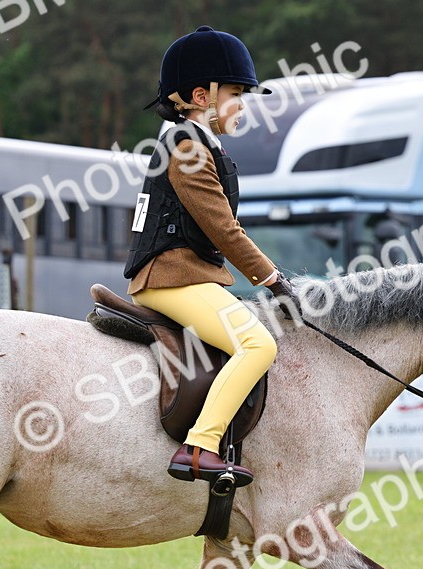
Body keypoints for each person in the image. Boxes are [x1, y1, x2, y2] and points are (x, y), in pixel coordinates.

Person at [125, 25, 298, 487]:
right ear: (202, 95)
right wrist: (272, 278)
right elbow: (223, 229)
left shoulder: (200, 143)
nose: (243, 103)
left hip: (188, 275)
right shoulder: (187, 148)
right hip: (172, 277)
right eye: (237, 93)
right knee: (258, 344)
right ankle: (200, 447)